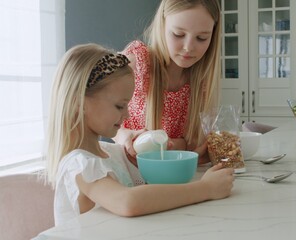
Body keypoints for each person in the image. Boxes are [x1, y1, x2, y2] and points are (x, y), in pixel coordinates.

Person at [45, 43, 234, 226]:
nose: (127, 114)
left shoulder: (111, 153)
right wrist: (205, 189)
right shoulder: (78, 164)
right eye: (119, 105)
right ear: (80, 104)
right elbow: (128, 202)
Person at [114, 0, 221, 165]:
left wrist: (184, 146)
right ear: (162, 25)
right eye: (178, 34)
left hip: (172, 177)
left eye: (201, 38)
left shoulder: (201, 80)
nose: (188, 47)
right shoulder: (136, 64)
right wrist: (123, 135)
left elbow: (193, 143)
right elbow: (101, 119)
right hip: (128, 172)